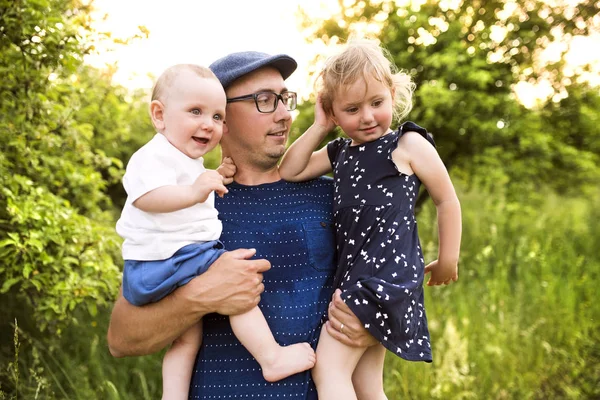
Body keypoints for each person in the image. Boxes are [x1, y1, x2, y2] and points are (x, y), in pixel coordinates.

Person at [107, 51, 376, 399]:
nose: (284, 114)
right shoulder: (182, 204)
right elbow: (121, 339)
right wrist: (199, 296)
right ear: (222, 117)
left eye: (284, 98)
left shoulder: (334, 194)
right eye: (264, 101)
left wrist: (373, 325)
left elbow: (394, 278)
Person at [279, 39, 463, 400]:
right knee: (365, 384)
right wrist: (319, 127)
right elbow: (291, 170)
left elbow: (447, 199)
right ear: (333, 112)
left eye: (377, 103)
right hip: (357, 274)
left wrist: (449, 257)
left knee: (329, 369)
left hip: (384, 279)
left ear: (392, 95)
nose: (366, 116)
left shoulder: (407, 145)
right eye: (351, 109)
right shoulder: (340, 152)